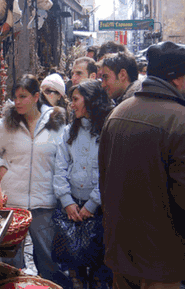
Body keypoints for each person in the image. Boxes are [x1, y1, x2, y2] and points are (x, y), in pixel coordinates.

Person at [99, 41, 185, 289]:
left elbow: (104, 182)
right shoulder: (182, 119)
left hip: (122, 250)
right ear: (176, 78)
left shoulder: (118, 113)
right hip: (162, 256)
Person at [0, 74, 69, 288]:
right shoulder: (6, 124)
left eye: (23, 96)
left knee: (48, 260)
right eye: (15, 97)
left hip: (44, 203)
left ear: (36, 96)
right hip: (13, 206)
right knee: (10, 264)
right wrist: (1, 168)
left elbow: (66, 159)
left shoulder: (56, 123)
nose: (17, 102)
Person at [53, 80, 113, 289]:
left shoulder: (107, 132)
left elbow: (109, 173)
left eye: (76, 99)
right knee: (74, 266)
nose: (72, 104)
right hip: (72, 208)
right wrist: (67, 201)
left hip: (98, 209)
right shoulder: (69, 132)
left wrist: (92, 204)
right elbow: (59, 168)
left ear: (91, 101)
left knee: (98, 267)